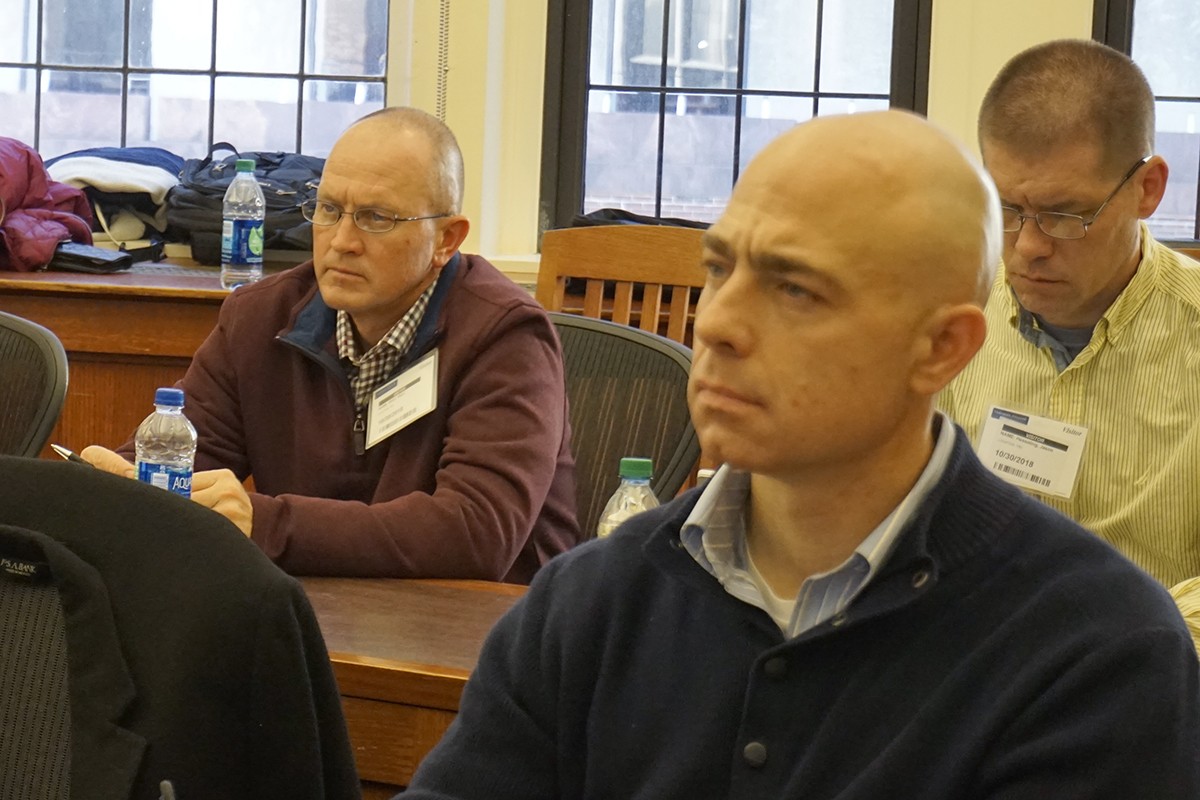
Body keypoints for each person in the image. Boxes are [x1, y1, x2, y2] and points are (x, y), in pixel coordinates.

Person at [401, 111, 1200, 800]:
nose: (717, 325)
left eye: (795, 290)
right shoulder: (591, 604)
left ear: (941, 349)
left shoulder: (1096, 650)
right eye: (720, 269)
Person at [84, 107, 581, 582]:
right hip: (320, 610)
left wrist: (267, 524)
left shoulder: (505, 336)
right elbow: (184, 462)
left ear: (446, 240)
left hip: (486, 634)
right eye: (328, 209)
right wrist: (124, 489)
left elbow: (476, 532)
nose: (341, 240)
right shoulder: (259, 319)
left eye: (376, 218)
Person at [938, 39, 1200, 590]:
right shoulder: (949, 314)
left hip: (1153, 663)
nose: (1028, 246)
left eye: (1066, 215)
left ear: (1147, 189)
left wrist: (1098, 652)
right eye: (1006, 209)